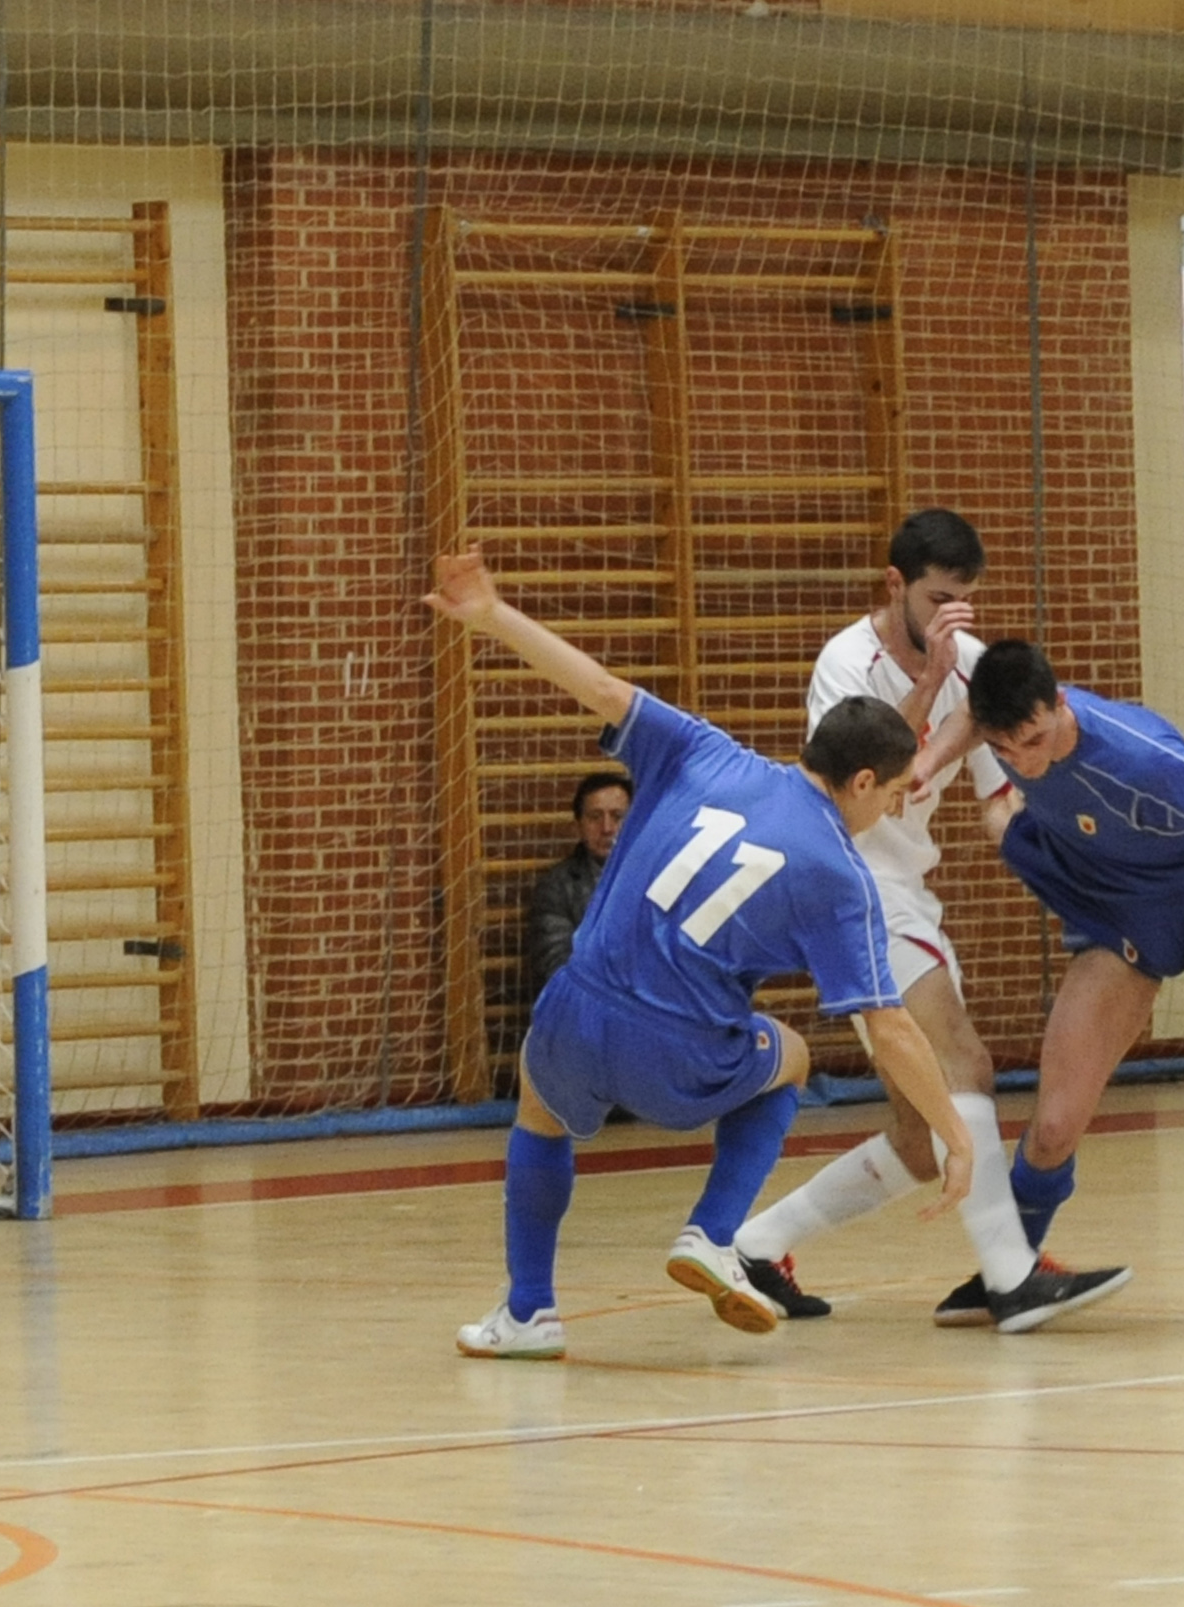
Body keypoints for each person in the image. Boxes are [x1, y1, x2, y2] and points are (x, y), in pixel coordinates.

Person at [426, 552, 1124, 1360]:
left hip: (573, 1011)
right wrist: (958, 1140)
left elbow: (601, 688)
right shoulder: (839, 875)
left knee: (540, 1111)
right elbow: (893, 1031)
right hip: (678, 1054)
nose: (898, 805)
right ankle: (714, 1234)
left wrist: (490, 615)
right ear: (863, 781)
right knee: (789, 1056)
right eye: (897, 791)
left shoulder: (704, 751)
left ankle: (528, 1313)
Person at [732, 511, 1130, 1333]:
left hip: (908, 888)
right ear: (896, 586)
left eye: (965, 599)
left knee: (920, 1139)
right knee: (964, 1065)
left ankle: (756, 1246)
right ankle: (1011, 1276)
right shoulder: (846, 663)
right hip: (852, 880)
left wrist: (1064, 872)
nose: (954, 613)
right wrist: (931, 681)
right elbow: (858, 780)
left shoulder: (974, 664)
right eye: (938, 596)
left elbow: (997, 797)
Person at [956, 638, 1184, 1271]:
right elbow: (969, 727)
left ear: (1060, 704)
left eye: (1034, 738)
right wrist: (927, 761)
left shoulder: (1139, 756)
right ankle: (1008, 1269)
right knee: (1051, 1127)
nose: (1024, 758)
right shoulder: (1006, 739)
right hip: (1118, 920)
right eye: (1004, 749)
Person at [522, 771, 630, 1005]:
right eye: (594, 817)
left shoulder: (660, 879)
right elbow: (556, 967)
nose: (607, 828)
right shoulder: (556, 888)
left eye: (618, 816)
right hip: (586, 1015)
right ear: (578, 825)